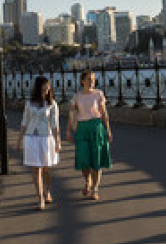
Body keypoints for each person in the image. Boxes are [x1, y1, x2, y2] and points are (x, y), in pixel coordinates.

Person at [66, 70, 112, 200]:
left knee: (96, 160)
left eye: (93, 79)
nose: (91, 81)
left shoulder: (99, 94)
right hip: (82, 128)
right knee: (84, 159)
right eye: (88, 79)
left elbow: (104, 114)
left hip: (96, 127)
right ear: (82, 81)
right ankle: (87, 182)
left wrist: (108, 130)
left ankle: (95, 188)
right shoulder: (77, 96)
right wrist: (68, 131)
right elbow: (71, 115)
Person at [17, 75, 61, 210]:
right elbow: (24, 122)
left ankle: (47, 191)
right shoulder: (29, 103)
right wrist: (19, 140)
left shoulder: (52, 104)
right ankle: (40, 198)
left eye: (48, 88)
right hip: (31, 138)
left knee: (46, 169)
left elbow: (55, 124)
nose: (46, 90)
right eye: (44, 88)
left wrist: (57, 141)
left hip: (46, 138)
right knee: (36, 169)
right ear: (38, 88)